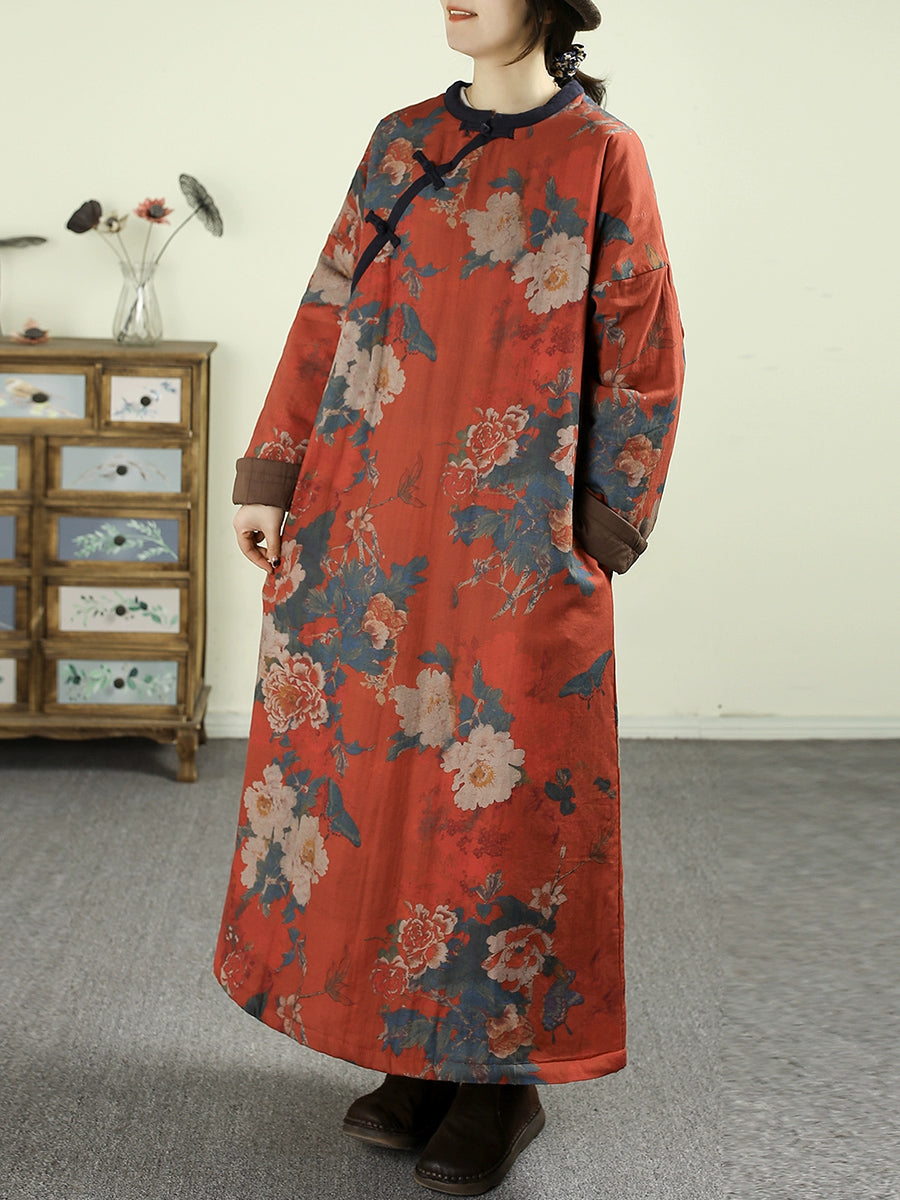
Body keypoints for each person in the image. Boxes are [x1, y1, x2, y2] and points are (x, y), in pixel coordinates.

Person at [214, 0, 684, 1193]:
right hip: (368, 515)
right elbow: (327, 306)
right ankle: (411, 1055)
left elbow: (643, 345)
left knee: (504, 799)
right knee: (383, 780)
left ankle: (500, 1082)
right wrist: (275, 472)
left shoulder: (600, 153)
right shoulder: (400, 140)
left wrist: (595, 523)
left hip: (520, 536)